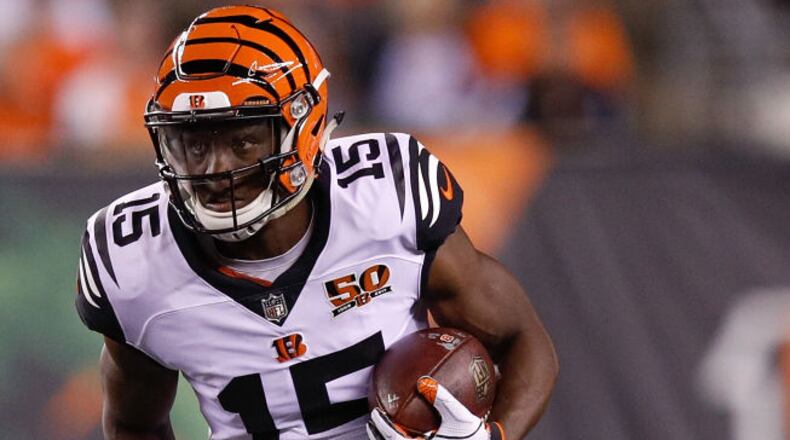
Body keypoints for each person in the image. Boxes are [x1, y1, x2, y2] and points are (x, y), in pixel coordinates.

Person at [75, 5, 558, 440]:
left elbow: (521, 341)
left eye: (242, 141)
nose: (215, 170)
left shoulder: (386, 199)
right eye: (195, 145)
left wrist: (491, 438)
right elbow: (134, 423)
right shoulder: (133, 264)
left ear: (302, 128)